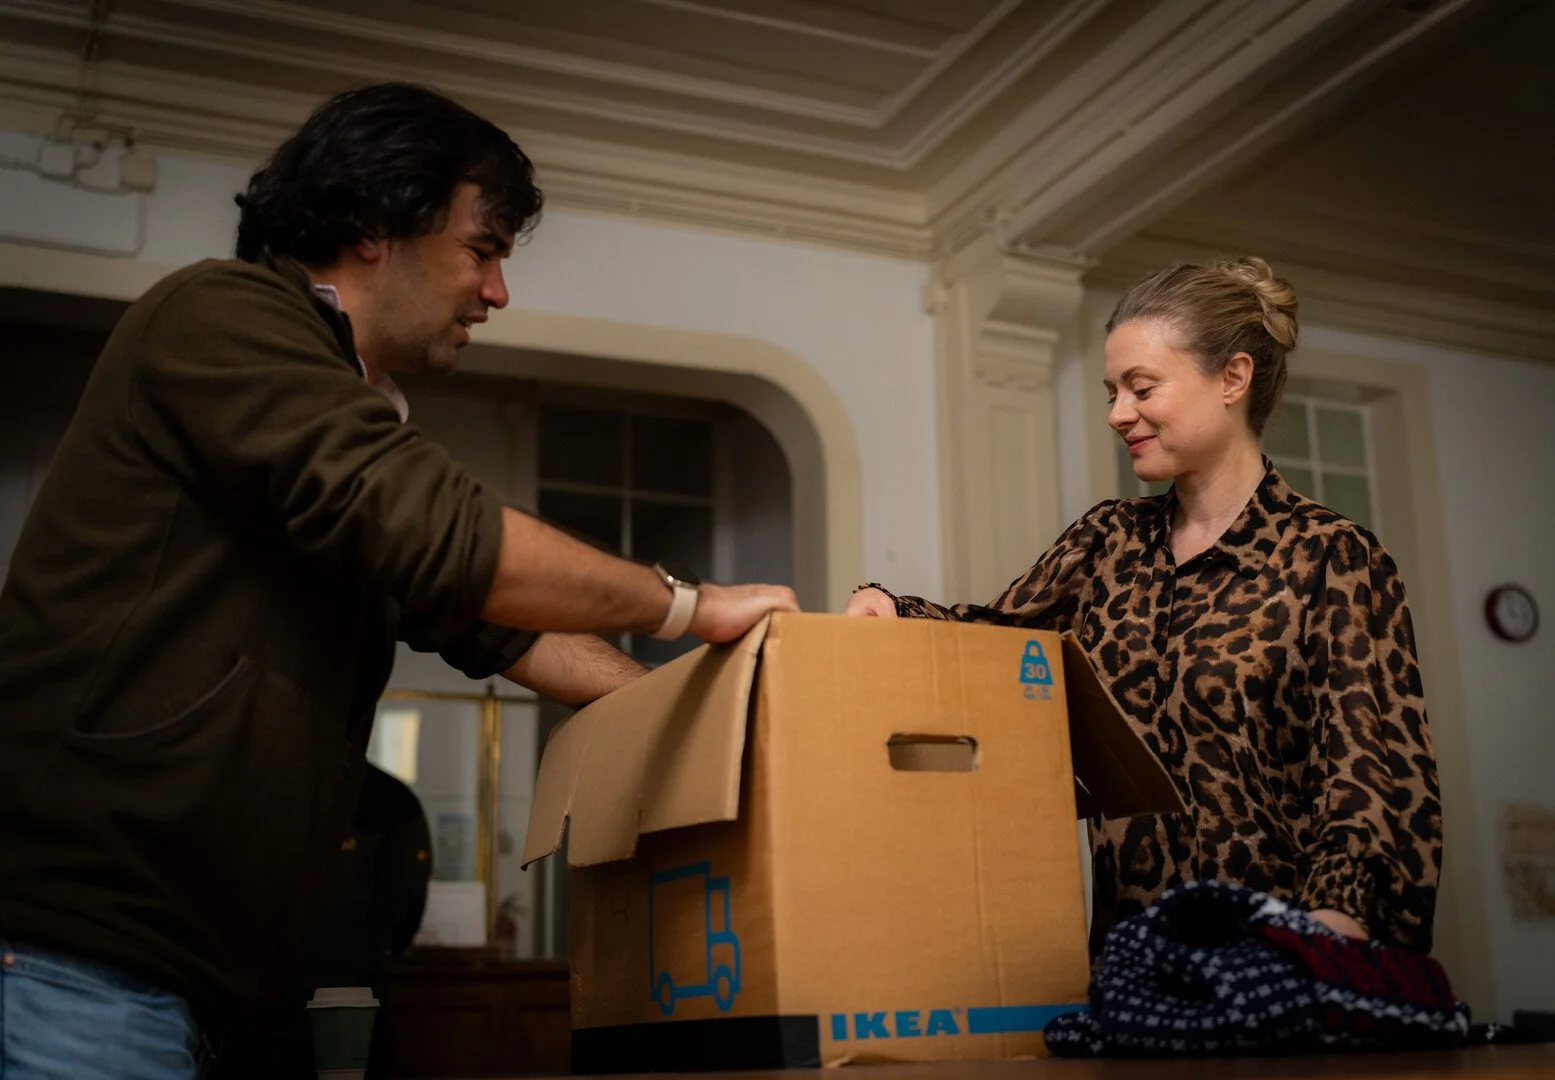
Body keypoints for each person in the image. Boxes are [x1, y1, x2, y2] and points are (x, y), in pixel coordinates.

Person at [0, 82, 796, 1077]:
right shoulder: (221, 315)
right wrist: (694, 605)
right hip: (70, 966)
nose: (497, 292)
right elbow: (438, 533)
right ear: (379, 225)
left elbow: (495, 625)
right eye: (481, 249)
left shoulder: (342, 419)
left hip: (196, 988)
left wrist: (704, 716)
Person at [847, 257, 1440, 957]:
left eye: (1141, 388)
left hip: (1279, 960)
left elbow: (1367, 773)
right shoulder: (1106, 541)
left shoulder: (1331, 557)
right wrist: (893, 609)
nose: (1116, 414)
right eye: (1110, 392)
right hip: (1129, 964)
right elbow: (995, 642)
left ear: (1231, 378)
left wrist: (1331, 929)